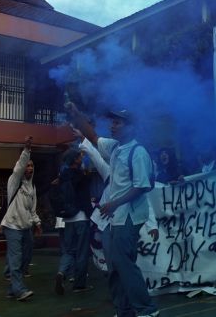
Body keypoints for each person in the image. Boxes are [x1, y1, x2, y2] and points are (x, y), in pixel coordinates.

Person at [67, 103, 159, 317]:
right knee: (114, 266)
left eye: (117, 122)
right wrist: (77, 113)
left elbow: (143, 186)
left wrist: (114, 203)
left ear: (131, 127)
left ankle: (147, 310)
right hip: (113, 219)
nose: (112, 126)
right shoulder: (116, 148)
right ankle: (123, 310)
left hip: (128, 217)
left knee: (123, 263)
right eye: (112, 122)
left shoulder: (138, 152)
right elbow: (93, 137)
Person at [0, 136, 42, 301]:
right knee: (15, 259)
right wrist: (26, 150)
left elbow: (32, 209)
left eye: (31, 166)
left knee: (26, 258)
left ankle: (12, 289)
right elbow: (19, 167)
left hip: (26, 227)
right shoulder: (14, 181)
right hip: (12, 226)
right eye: (27, 165)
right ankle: (19, 290)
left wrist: (37, 223)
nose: (29, 168)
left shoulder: (32, 187)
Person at [54, 148, 93, 295]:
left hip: (68, 218)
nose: (81, 157)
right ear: (75, 159)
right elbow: (87, 182)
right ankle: (79, 285)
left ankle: (61, 272)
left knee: (69, 250)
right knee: (82, 252)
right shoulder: (80, 175)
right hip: (81, 217)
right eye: (79, 156)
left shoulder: (62, 175)